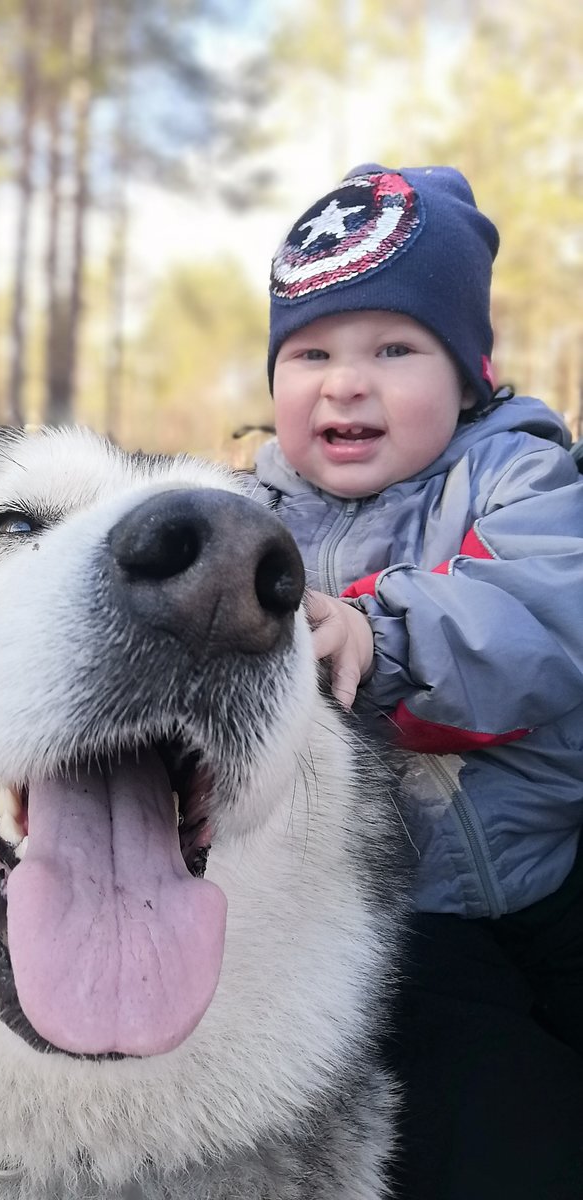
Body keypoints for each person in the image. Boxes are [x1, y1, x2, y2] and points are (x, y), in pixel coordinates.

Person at [256, 163, 583, 1200]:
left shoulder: (520, 474)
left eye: (394, 349)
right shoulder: (251, 521)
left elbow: (542, 616)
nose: (345, 383)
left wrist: (379, 633)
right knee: (494, 1117)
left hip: (560, 863)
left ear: (469, 375)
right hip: (406, 907)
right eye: (311, 353)